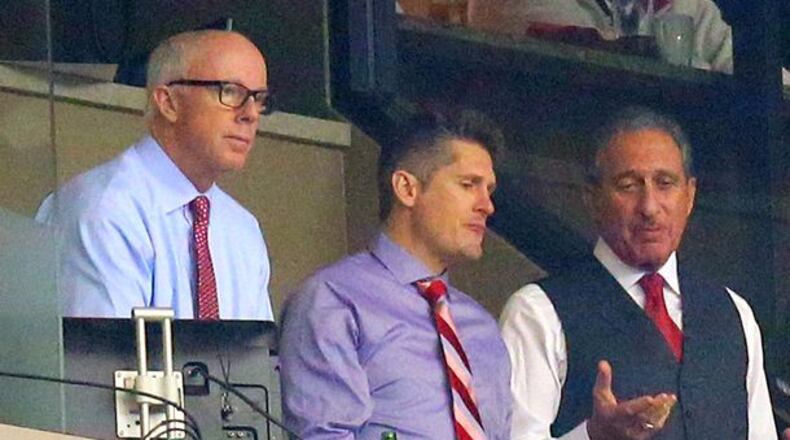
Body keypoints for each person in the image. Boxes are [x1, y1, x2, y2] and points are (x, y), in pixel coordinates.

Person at [499, 106, 777, 439]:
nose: (649, 206)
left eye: (665, 183)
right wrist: (592, 436)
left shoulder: (734, 313)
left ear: (689, 196)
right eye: (628, 185)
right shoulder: (538, 313)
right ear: (592, 197)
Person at [279, 111, 512, 439]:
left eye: (488, 190)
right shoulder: (334, 300)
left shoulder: (483, 328)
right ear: (407, 188)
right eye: (468, 185)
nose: (486, 205)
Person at [36, 30, 274, 320]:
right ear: (168, 102)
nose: (250, 114)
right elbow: (102, 359)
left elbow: (254, 362)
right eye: (230, 92)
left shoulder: (242, 229)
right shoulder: (105, 209)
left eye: (259, 99)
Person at [467, 0, 734, 73]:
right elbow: (599, 65)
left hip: (668, 180)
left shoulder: (690, 6)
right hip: (548, 178)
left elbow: (765, 80)